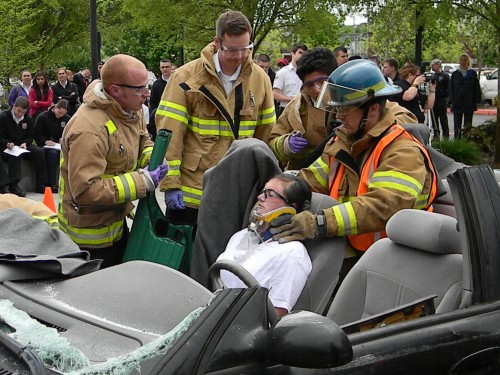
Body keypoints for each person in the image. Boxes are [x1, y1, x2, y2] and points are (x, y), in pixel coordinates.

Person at [270, 59, 438, 277]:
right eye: (337, 108)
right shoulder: (343, 143)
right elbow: (309, 181)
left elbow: (383, 206)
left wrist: (320, 222)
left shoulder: (402, 151)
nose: (339, 116)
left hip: (394, 264)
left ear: (373, 108)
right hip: (352, 254)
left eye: (346, 109)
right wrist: (274, 196)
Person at [155, 10, 276, 227]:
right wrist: (170, 183)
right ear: (217, 42)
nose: (240, 56)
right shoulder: (185, 78)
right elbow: (170, 134)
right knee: (188, 259)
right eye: (232, 49)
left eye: (246, 48)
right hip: (193, 193)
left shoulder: (260, 79)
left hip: (239, 191)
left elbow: (266, 134)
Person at [58, 54, 168, 268]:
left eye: (146, 86)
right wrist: (143, 181)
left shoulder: (129, 110)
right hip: (89, 239)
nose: (146, 94)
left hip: (114, 225)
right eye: (139, 88)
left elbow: (142, 139)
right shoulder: (88, 129)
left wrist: (151, 159)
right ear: (115, 90)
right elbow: (86, 189)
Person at [217, 173, 312, 316]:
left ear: (292, 206)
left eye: (270, 194)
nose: (260, 197)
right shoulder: (242, 236)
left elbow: (274, 315)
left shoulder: (292, 253)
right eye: (263, 192)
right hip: (212, 315)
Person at [269, 47, 338, 170]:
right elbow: (273, 141)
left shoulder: (349, 102)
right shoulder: (295, 108)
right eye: (310, 85)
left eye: (322, 81)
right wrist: (286, 145)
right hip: (303, 173)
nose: (317, 89)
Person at [0, 97, 48, 196]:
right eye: (19, 111)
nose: (20, 114)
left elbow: (30, 136)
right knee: (15, 154)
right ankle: (13, 185)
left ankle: (40, 184)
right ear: (14, 107)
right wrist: (6, 143)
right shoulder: (3, 116)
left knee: (39, 152)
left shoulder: (28, 119)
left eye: (23, 112)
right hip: (6, 147)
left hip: (22, 146)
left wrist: (25, 143)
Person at [34, 100, 70, 193]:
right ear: (55, 108)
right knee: (53, 155)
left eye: (63, 114)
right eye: (59, 112)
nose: (60, 115)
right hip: (46, 146)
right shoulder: (43, 117)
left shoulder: (67, 119)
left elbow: (69, 133)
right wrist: (45, 141)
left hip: (59, 145)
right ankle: (51, 183)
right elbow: (37, 134)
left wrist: (63, 139)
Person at [449, 53, 482, 139]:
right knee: (457, 124)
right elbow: (451, 88)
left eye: (465, 60)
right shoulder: (455, 74)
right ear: (459, 61)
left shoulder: (472, 74)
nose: (463, 62)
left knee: (467, 125)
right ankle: (457, 141)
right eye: (462, 60)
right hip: (457, 102)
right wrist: (451, 101)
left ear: (468, 61)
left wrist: (476, 100)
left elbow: (476, 88)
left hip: (469, 103)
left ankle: (466, 141)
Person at [273, 43, 308, 115]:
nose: (302, 56)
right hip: (287, 110)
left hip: (303, 111)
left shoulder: (307, 73)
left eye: (304, 54)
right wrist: (292, 99)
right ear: (293, 53)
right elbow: (275, 94)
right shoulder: (282, 72)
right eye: (300, 52)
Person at [430, 59, 450, 139]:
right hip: (434, 99)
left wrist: (447, 99)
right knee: (434, 117)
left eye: (433, 65)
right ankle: (436, 134)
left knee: (443, 118)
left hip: (441, 99)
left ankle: (446, 134)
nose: (432, 66)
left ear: (438, 65)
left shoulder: (445, 75)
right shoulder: (432, 76)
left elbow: (448, 88)